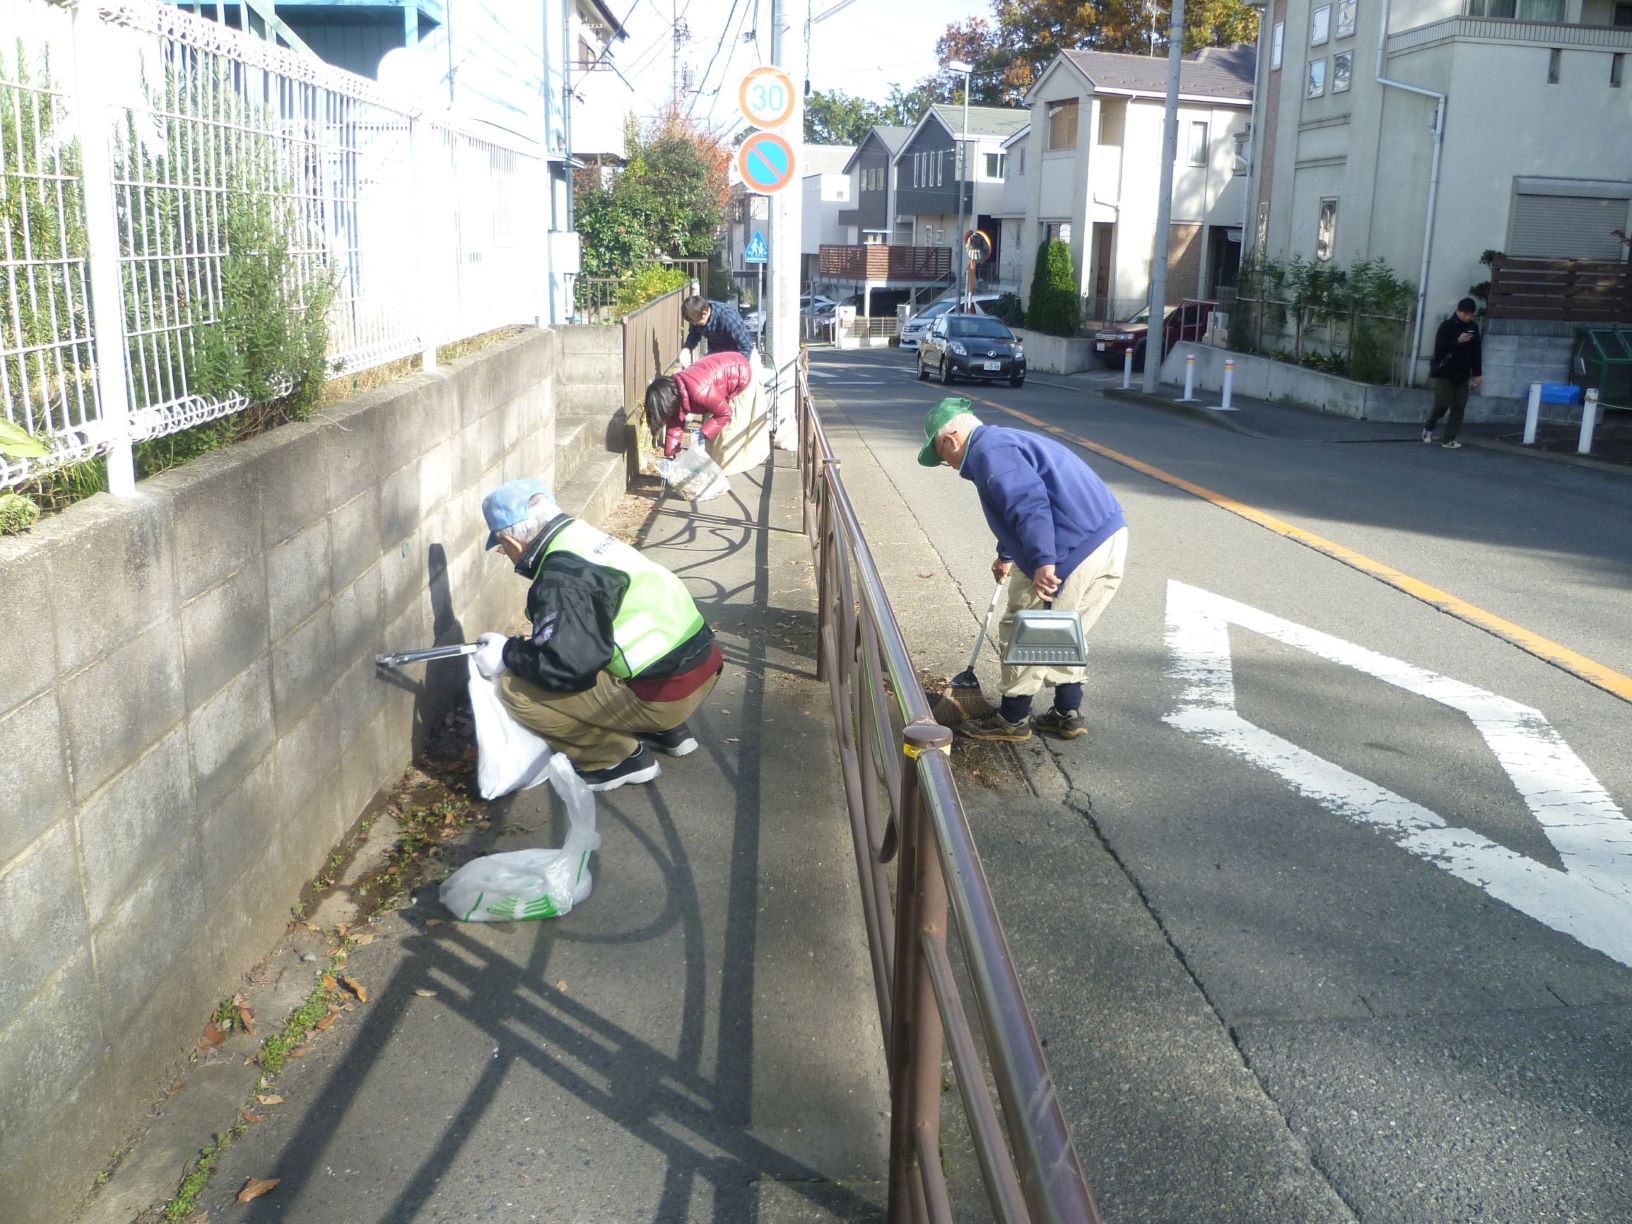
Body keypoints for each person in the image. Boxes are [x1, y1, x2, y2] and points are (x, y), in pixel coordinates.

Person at [473, 479, 724, 791]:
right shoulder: (583, 537)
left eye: (501, 549)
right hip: (702, 665)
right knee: (602, 647)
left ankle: (616, 758)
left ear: (512, 543)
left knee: (515, 690)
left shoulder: (561, 577)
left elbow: (566, 669)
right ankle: (665, 731)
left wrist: (508, 654)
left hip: (665, 696)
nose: (506, 555)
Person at [918, 399, 1128, 743]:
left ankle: (1013, 719)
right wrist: (1006, 554)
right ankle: (1066, 713)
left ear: (950, 440)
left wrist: (1044, 560)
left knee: (1026, 629)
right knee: (1064, 629)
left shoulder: (989, 451)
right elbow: (1018, 505)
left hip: (1067, 549)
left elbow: (1029, 503)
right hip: (1107, 537)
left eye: (942, 456)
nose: (948, 464)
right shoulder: (1004, 442)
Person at [644, 350, 754, 460]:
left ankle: (722, 472)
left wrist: (702, 433)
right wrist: (671, 454)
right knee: (708, 441)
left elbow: (724, 413)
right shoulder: (675, 390)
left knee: (722, 440)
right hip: (719, 376)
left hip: (740, 373)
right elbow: (675, 422)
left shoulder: (699, 392)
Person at [1423, 297, 1483, 450]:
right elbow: (1439, 349)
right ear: (1458, 311)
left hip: (1463, 374)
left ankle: (1448, 439)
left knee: (1459, 406)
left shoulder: (1474, 327)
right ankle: (1428, 427)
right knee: (1442, 403)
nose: (1468, 317)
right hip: (1445, 372)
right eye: (1465, 314)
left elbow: (1476, 352)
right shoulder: (1447, 326)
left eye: (1470, 315)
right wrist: (1457, 341)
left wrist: (1477, 374)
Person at [680, 295, 755, 364]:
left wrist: (736, 366)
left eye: (696, 322)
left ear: (704, 314)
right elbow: (694, 334)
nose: (694, 325)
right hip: (716, 355)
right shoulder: (698, 313)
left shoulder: (728, 318)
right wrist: (686, 349)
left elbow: (746, 348)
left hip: (738, 357)